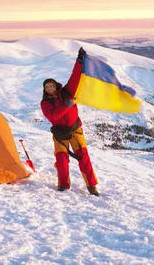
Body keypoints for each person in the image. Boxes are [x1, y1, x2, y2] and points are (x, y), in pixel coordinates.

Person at [41, 47, 99, 196]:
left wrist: (79, 60)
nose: (50, 88)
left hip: (75, 130)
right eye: (47, 87)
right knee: (61, 160)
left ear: (56, 85)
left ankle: (91, 185)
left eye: (51, 85)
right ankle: (63, 185)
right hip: (60, 134)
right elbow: (54, 117)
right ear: (44, 90)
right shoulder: (45, 103)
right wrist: (68, 105)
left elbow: (75, 77)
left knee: (84, 157)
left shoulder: (68, 91)